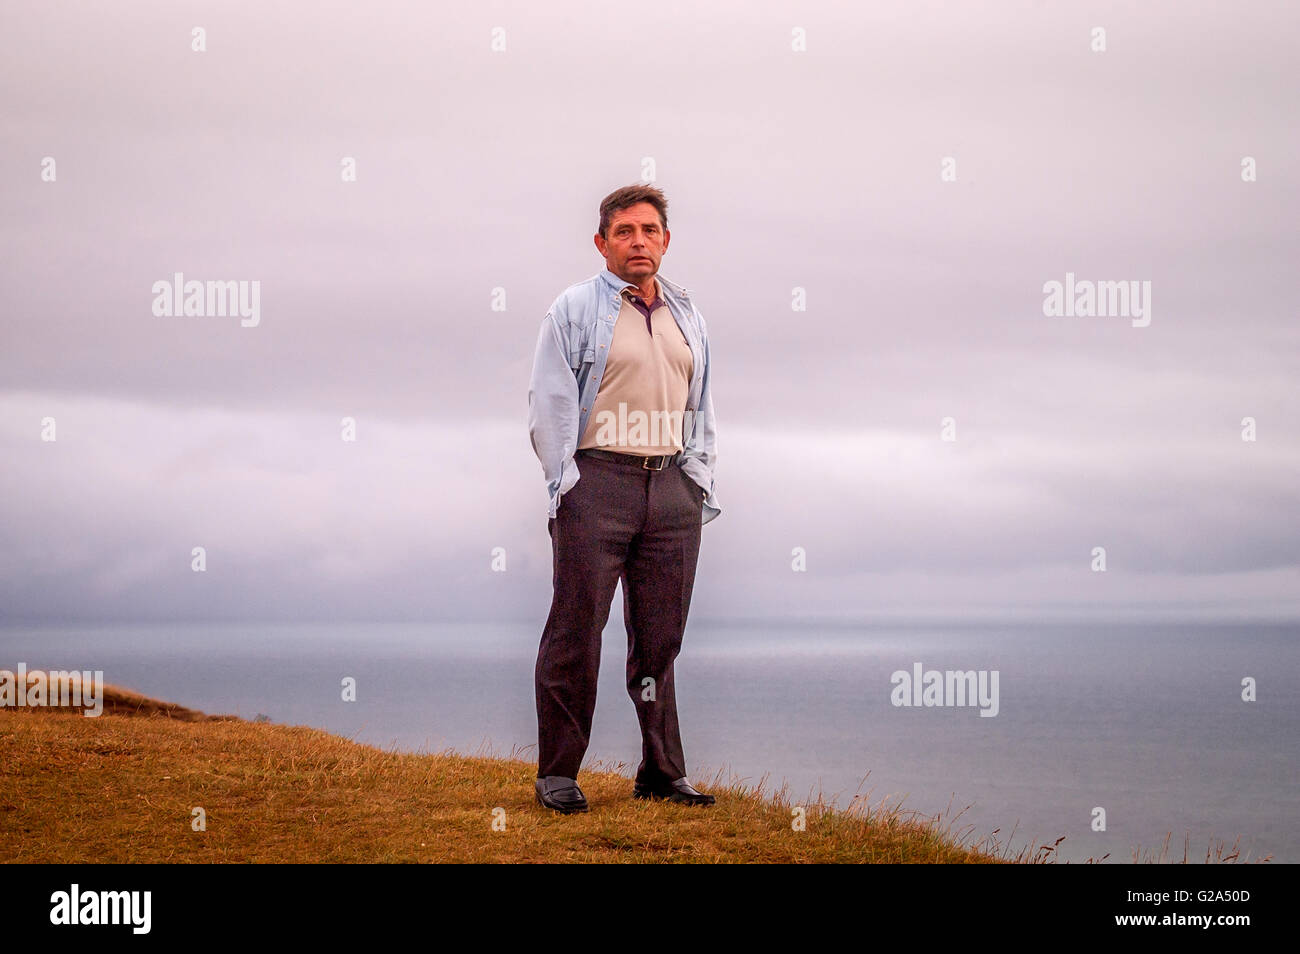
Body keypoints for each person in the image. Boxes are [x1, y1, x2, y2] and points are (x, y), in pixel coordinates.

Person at [526, 183, 721, 813]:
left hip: (670, 489)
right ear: (602, 242)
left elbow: (702, 405)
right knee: (576, 630)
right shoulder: (574, 308)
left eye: (649, 231)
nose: (639, 241)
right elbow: (550, 402)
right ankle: (558, 774)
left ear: (666, 240)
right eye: (625, 232)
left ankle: (661, 773)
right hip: (597, 483)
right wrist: (567, 485)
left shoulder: (687, 312)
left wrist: (695, 480)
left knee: (660, 639)